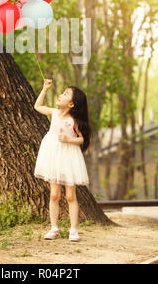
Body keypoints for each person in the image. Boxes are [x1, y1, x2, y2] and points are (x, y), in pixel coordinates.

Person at [33, 79, 91, 242]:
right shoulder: (55, 113)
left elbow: (82, 139)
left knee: (71, 196)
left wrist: (68, 139)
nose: (60, 94)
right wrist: (44, 89)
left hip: (68, 158)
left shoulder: (74, 121)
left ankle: (73, 230)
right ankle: (54, 228)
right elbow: (37, 106)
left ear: (72, 104)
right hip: (53, 155)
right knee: (54, 194)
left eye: (65, 94)